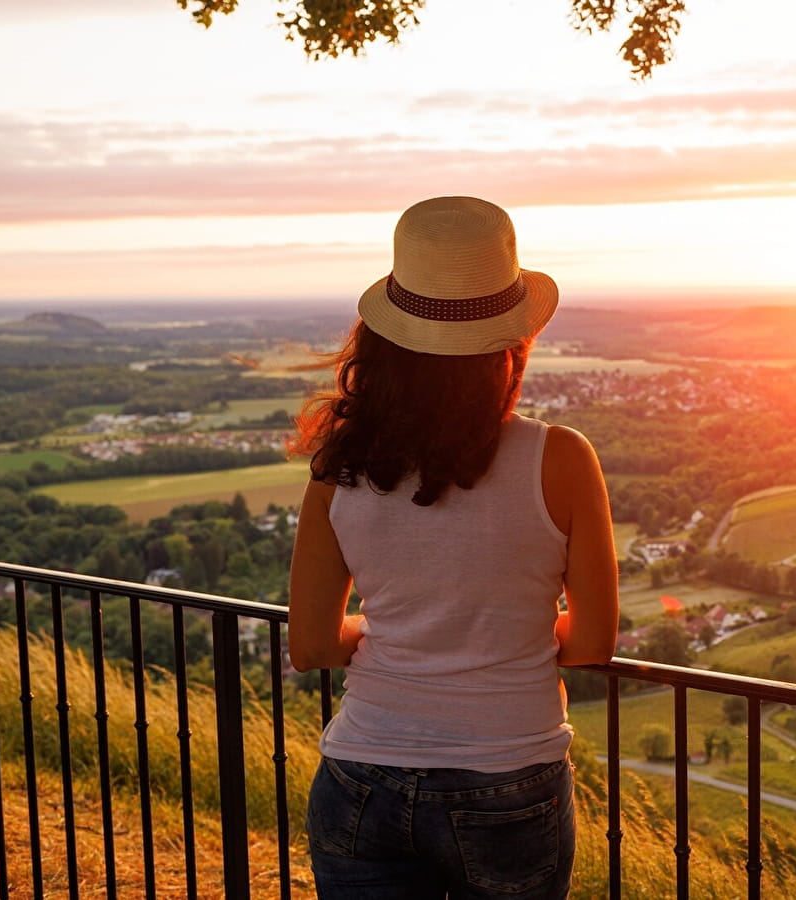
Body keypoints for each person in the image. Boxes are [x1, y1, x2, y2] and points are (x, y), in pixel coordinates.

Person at [286, 196, 619, 899]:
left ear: (386, 338)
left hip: (361, 776)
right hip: (507, 776)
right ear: (511, 342)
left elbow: (312, 645)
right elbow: (591, 641)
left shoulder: (338, 466)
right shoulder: (560, 458)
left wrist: (389, 632)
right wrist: (509, 637)